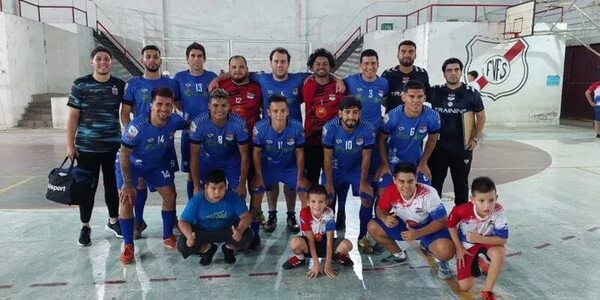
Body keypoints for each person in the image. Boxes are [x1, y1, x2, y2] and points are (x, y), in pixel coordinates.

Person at [116, 87, 187, 264]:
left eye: (168, 105)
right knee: (126, 199)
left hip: (155, 164)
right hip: (131, 165)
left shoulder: (174, 120)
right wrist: (127, 183)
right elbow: (124, 154)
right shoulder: (136, 127)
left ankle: (167, 236)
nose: (164, 108)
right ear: (151, 105)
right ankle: (128, 245)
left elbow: (191, 124)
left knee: (170, 194)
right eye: (159, 104)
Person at [66, 46, 125, 246]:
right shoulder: (80, 85)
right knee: (87, 189)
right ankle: (85, 226)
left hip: (113, 147)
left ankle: (113, 221)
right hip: (86, 148)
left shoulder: (119, 85)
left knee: (112, 187)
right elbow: (73, 117)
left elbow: (126, 113)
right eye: (98, 59)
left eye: (106, 59)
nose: (103, 62)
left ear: (111, 62)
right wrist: (70, 145)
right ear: (92, 62)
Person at [121, 45, 180, 238]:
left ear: (160, 60)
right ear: (142, 59)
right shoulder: (133, 84)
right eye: (148, 56)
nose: (152, 60)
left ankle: (171, 223)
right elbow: (125, 114)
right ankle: (138, 221)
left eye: (156, 56)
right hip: (141, 144)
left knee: (168, 185)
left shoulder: (170, 83)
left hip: (164, 145)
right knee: (138, 185)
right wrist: (135, 137)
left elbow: (178, 107)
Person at [367, 163, 454, 279]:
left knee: (446, 251)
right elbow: (380, 209)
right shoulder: (390, 191)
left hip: (430, 227)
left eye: (410, 181)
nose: (406, 186)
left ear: (416, 179)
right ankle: (399, 255)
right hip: (406, 226)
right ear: (394, 180)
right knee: (373, 226)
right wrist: (385, 218)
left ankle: (440, 259)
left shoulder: (428, 193)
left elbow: (441, 221)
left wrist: (417, 233)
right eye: (401, 181)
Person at [250, 95, 309, 245]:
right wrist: (258, 175)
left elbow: (300, 153)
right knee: (256, 194)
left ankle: (305, 233)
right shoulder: (260, 127)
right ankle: (255, 234)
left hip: (289, 167)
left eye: (283, 110)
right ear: (268, 112)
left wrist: (300, 176)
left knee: (304, 192)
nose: (279, 114)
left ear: (288, 111)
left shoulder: (296, 127)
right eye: (275, 111)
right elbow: (256, 152)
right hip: (268, 168)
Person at [342, 49, 388, 233]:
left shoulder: (384, 83)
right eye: (366, 64)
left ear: (378, 64)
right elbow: (335, 82)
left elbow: (385, 103)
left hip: (377, 140)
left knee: (379, 188)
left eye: (373, 63)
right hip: (357, 140)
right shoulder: (350, 81)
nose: (370, 67)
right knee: (365, 192)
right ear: (360, 65)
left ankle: (375, 229)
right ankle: (362, 234)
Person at [428, 58, 486, 205]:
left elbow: (481, 116)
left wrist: (475, 138)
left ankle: (462, 221)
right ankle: (434, 218)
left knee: (461, 185)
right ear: (444, 73)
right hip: (438, 148)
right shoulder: (435, 92)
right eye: (449, 70)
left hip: (462, 148)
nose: (453, 73)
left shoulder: (471, 93)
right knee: (434, 185)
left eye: (456, 70)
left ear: (461, 72)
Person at [322, 96, 376, 253]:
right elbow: (327, 156)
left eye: (355, 112)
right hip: (336, 168)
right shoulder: (330, 128)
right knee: (328, 198)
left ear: (360, 114)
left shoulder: (367, 127)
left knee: (367, 198)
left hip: (356, 168)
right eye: (347, 112)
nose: (351, 116)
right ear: (340, 113)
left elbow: (367, 156)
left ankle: (363, 236)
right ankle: (329, 237)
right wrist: (329, 182)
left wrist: (364, 181)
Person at [447, 176, 508, 300]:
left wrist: (478, 239)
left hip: (487, 241)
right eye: (481, 200)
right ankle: (481, 263)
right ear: (472, 200)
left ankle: (487, 292)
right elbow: (450, 225)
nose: (487, 205)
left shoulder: (499, 210)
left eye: (491, 200)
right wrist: (458, 248)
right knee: (465, 286)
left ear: (496, 198)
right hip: (466, 244)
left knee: (499, 253)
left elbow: (502, 239)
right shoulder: (462, 210)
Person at [177, 169, 253, 266]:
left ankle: (229, 248)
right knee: (183, 244)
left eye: (221, 188)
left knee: (247, 236)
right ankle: (206, 249)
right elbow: (183, 221)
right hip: (203, 231)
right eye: (213, 188)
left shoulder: (232, 198)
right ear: (206, 187)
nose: (217, 192)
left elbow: (246, 216)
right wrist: (189, 237)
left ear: (226, 186)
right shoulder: (197, 201)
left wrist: (239, 230)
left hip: (227, 231)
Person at [173, 42, 218, 199]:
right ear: (187, 59)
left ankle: (211, 204)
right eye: (193, 56)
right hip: (189, 131)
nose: (196, 59)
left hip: (211, 130)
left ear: (204, 59)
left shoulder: (212, 77)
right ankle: (193, 206)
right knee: (192, 173)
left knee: (212, 170)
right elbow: (176, 102)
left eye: (199, 56)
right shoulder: (179, 78)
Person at [376, 80, 440, 190]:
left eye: (419, 97)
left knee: (425, 193)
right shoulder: (392, 117)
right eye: (411, 96)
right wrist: (384, 164)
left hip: (416, 161)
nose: (416, 101)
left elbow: (432, 139)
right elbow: (380, 140)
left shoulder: (432, 116)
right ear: (403, 97)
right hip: (392, 161)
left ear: (424, 98)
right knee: (384, 192)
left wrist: (423, 163)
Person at [189, 88, 250, 200]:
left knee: (238, 193)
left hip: (231, 161)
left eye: (223, 105)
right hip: (208, 160)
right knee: (202, 193)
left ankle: (237, 217)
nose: (220, 109)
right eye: (215, 105)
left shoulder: (239, 124)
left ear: (229, 106)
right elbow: (194, 155)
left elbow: (245, 155)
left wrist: (242, 184)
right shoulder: (198, 123)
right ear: (209, 106)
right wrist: (196, 185)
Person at [281, 185, 354, 278]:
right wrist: (316, 264)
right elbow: (310, 240)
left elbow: (329, 241)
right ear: (308, 202)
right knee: (295, 243)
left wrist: (328, 264)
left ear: (326, 202)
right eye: (313, 201)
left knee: (347, 245)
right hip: (310, 244)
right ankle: (300, 258)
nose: (316, 205)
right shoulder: (304, 213)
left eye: (320, 202)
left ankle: (336, 256)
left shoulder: (329, 214)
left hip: (325, 242)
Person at [302, 48, 345, 187]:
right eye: (317, 64)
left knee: (331, 181)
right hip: (311, 141)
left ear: (330, 66)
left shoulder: (339, 87)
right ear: (312, 67)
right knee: (311, 182)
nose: (321, 66)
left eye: (325, 64)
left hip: (333, 142)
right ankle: (312, 209)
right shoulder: (306, 83)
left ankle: (335, 209)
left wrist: (336, 78)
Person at [382, 40, 430, 113]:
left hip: (416, 121)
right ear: (397, 55)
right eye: (403, 51)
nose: (407, 55)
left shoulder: (422, 73)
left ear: (415, 55)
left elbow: (426, 97)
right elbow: (381, 100)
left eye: (411, 52)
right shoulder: (388, 74)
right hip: (393, 121)